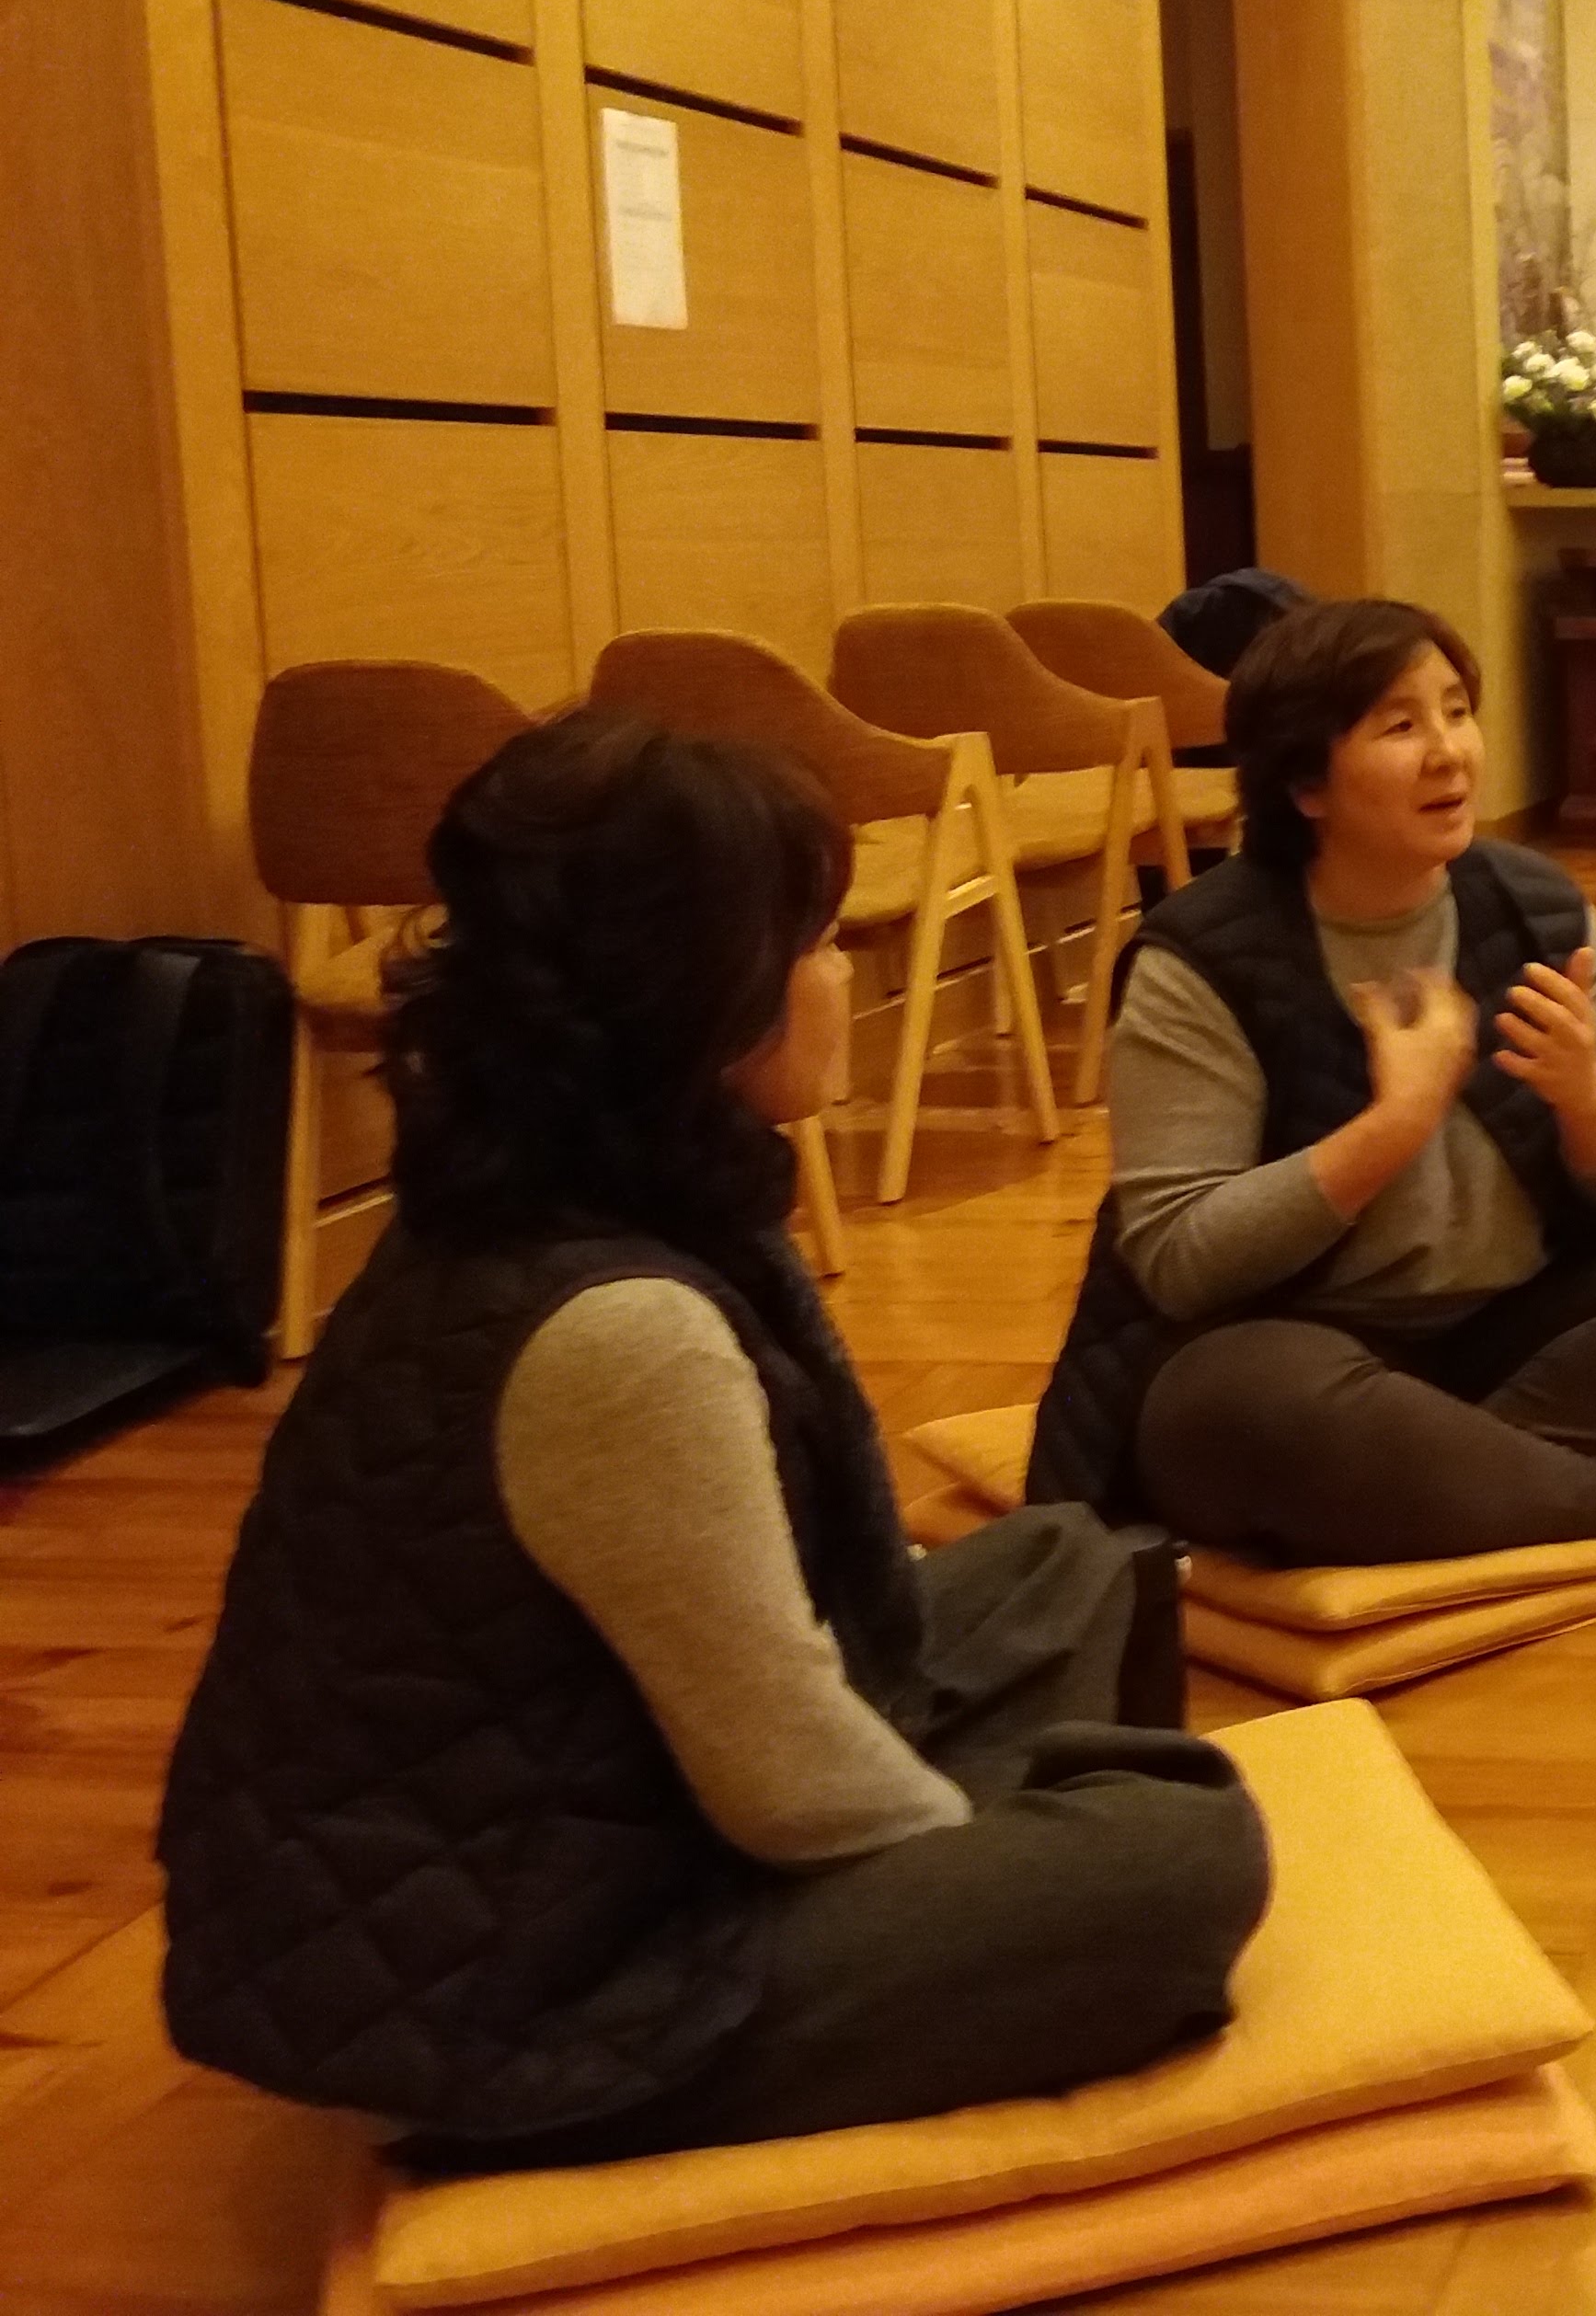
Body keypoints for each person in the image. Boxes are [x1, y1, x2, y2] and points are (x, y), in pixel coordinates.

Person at [156, 716, 1265, 2169]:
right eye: (813, 942)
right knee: (1185, 1856)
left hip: (597, 1818)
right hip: (534, 1981)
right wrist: (992, 1867)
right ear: (699, 990)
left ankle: (1025, 1858)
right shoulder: (621, 1333)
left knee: (1071, 1561)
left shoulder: (572, 1190)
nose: (843, 974)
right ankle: (577, 2126)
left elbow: (762, 1644)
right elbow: (790, 1788)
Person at [1029, 597, 1596, 1563]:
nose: (1449, 752)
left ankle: (1446, 1480)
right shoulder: (1202, 958)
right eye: (1400, 726)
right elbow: (1179, 1258)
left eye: (1456, 711)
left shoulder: (1540, 910)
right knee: (1244, 1405)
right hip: (1291, 1343)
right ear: (1306, 785)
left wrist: (1588, 1099)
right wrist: (1393, 1125)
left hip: (1506, 1331)